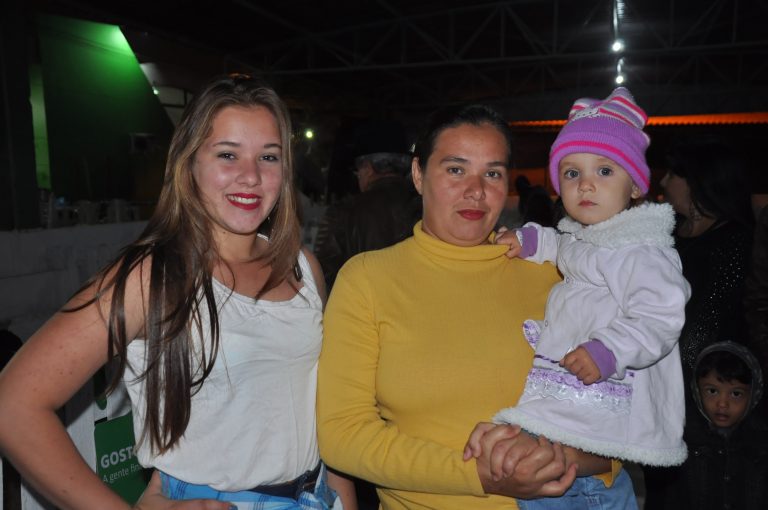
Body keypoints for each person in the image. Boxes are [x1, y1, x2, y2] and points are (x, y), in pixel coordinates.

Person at [0, 75, 355, 510]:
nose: (250, 176)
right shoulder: (151, 277)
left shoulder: (302, 267)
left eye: (269, 156)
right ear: (189, 164)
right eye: (228, 154)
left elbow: (326, 412)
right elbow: (14, 404)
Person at [317, 103, 623, 510]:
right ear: (418, 174)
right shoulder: (367, 280)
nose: (476, 190)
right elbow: (342, 434)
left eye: (492, 173)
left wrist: (557, 458)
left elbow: (623, 419)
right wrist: (478, 475)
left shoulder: (558, 275)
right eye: (456, 169)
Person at [485, 87, 689, 508]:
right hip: (578, 399)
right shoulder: (587, 236)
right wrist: (529, 240)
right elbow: (561, 244)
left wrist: (610, 349)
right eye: (572, 173)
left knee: (580, 480)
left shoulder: (640, 249)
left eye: (605, 171)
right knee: (552, 469)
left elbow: (661, 313)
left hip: (606, 378)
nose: (587, 185)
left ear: (636, 186)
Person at [655, 341, 768, 509]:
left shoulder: (761, 443)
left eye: (736, 394)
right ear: (697, 390)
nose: (722, 404)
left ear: (753, 395)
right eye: (712, 391)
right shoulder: (680, 440)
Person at [314, 128, 420, 290]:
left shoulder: (344, 212)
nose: (358, 176)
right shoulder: (425, 206)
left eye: (357, 171)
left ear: (368, 168)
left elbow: (322, 277)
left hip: (361, 303)